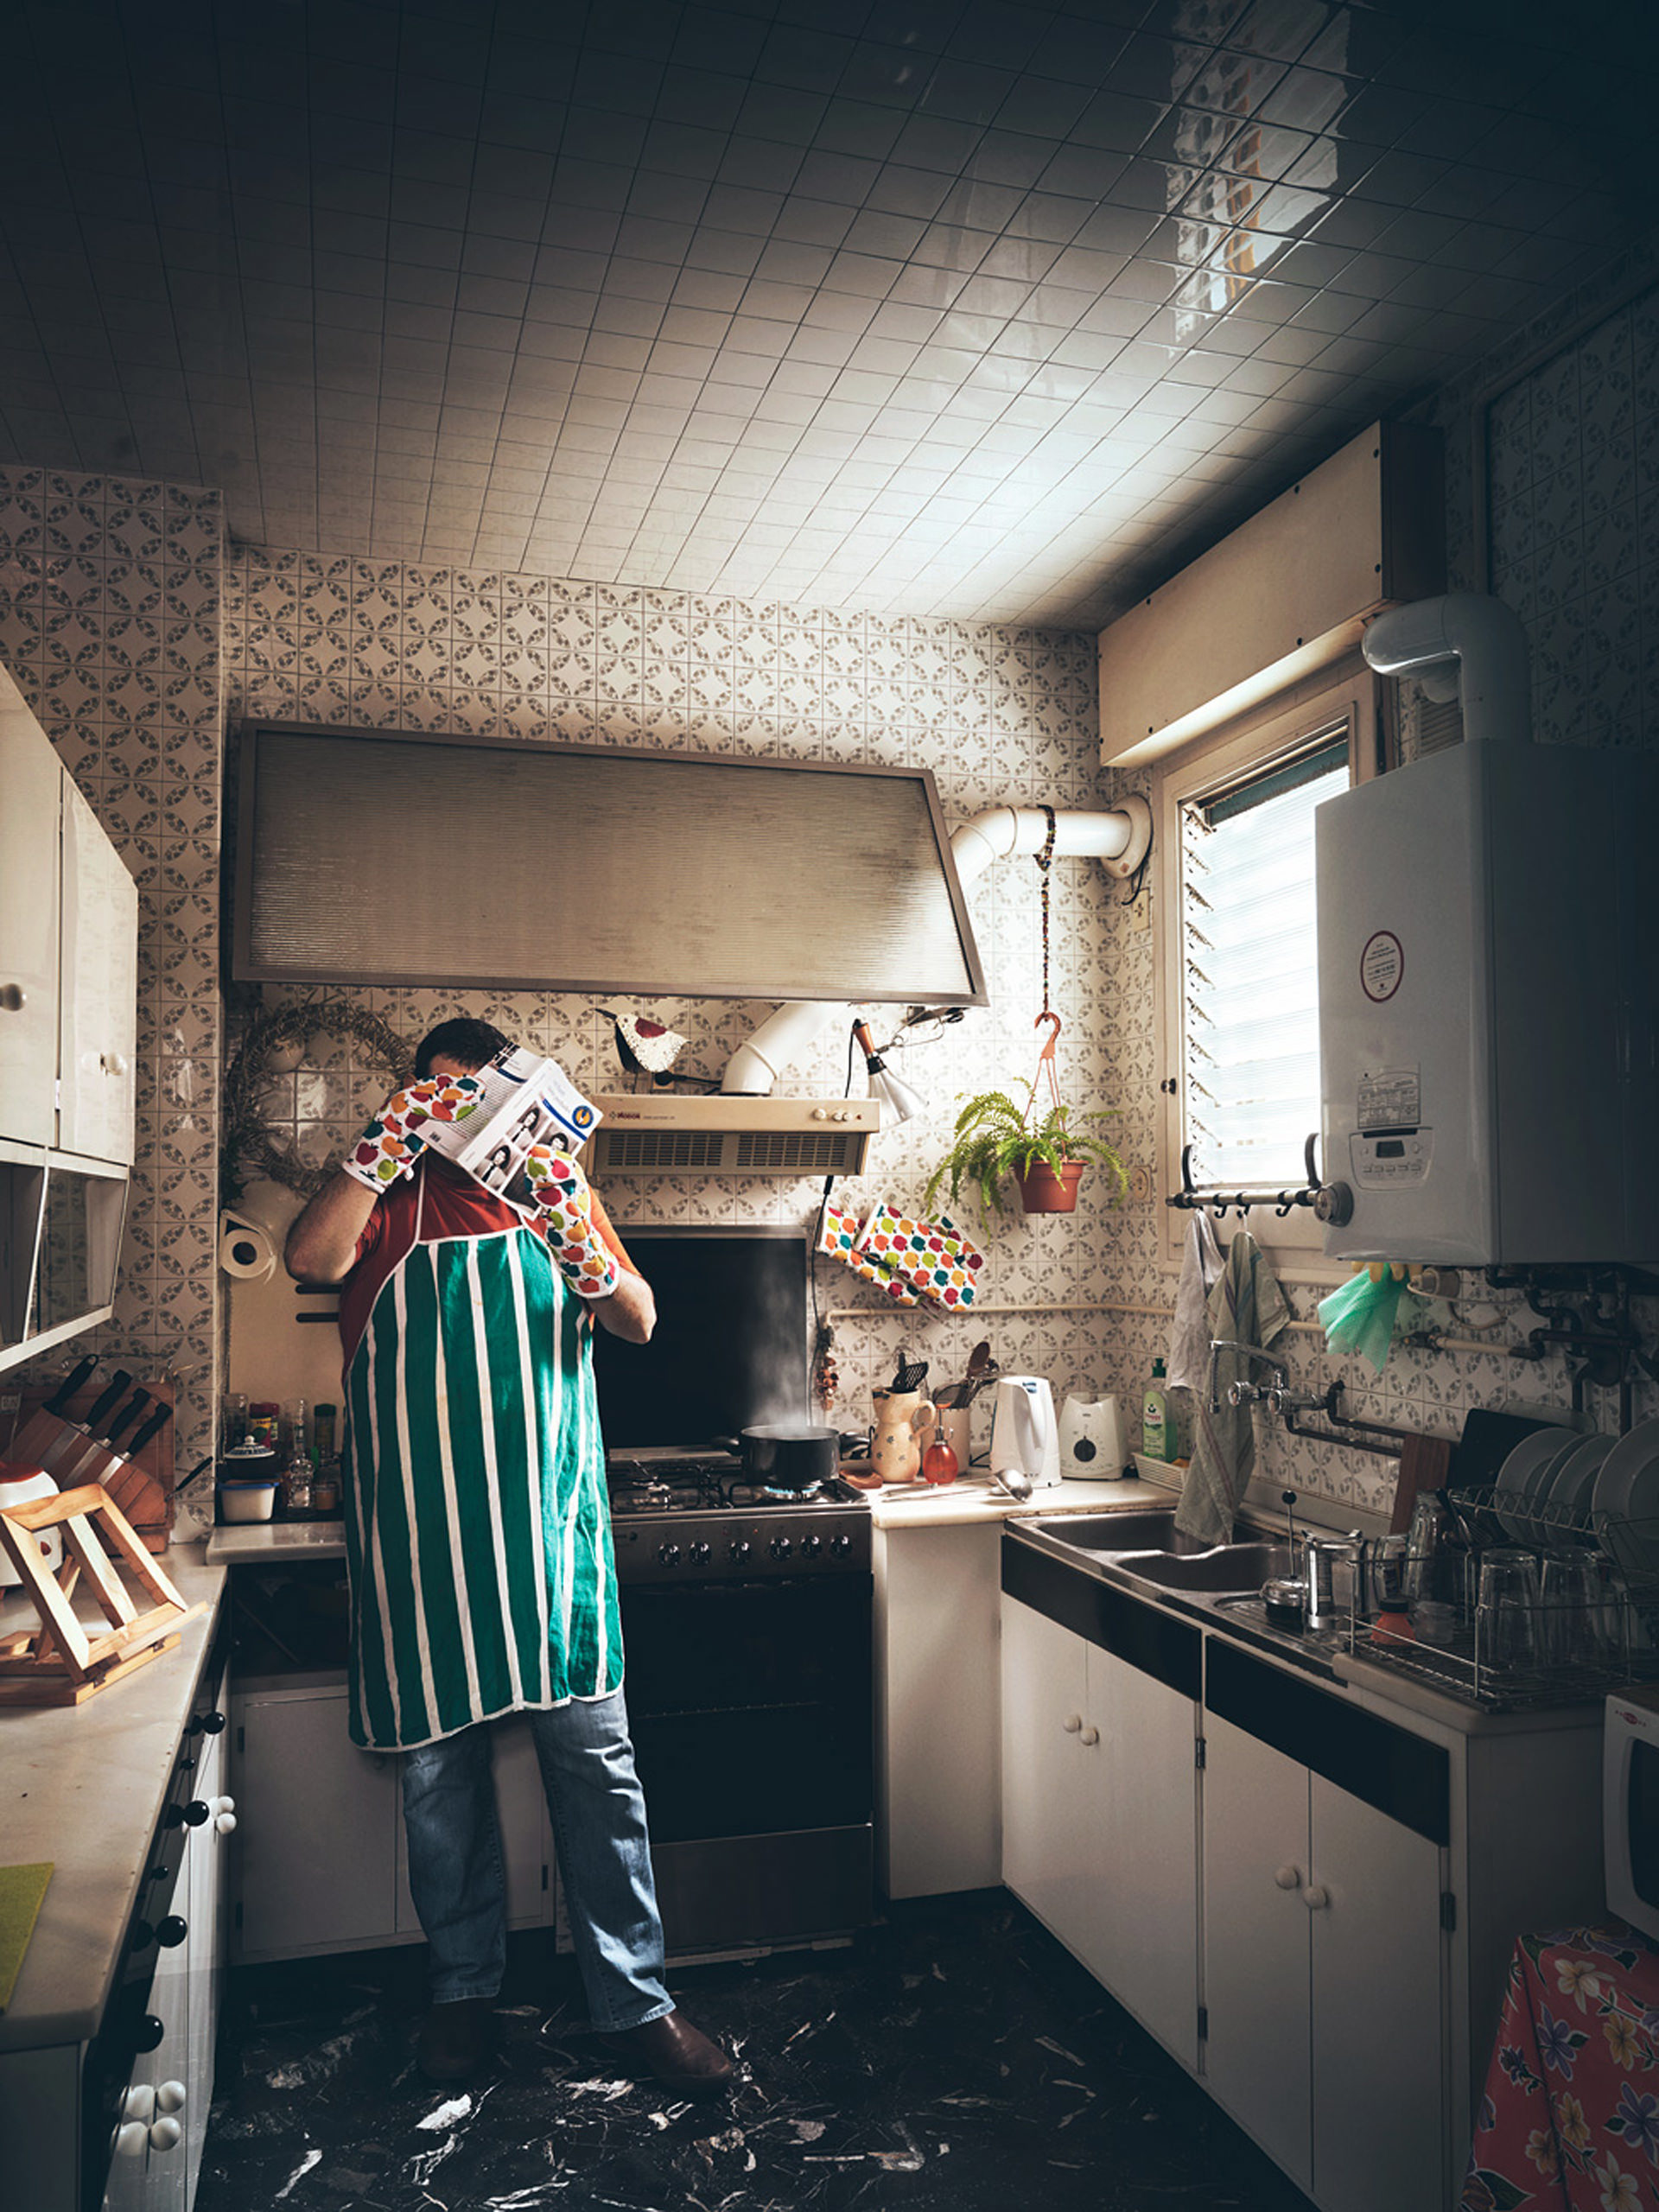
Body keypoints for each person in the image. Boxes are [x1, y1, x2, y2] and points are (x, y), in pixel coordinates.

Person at [284, 1016, 734, 2094]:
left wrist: (563, 1204)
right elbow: (311, 1257)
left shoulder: (549, 1193)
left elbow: (637, 1317)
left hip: (546, 1546)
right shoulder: (386, 1203)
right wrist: (386, 1140)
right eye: (433, 1097)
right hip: (424, 1547)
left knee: (598, 1775)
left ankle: (637, 2001)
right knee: (440, 1783)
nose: (454, 1117)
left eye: (470, 1097)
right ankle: (461, 1993)